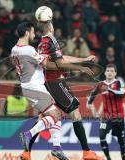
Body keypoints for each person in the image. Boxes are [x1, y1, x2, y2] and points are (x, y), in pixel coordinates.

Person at [25, 21, 98, 160]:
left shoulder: (42, 43)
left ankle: (27, 152)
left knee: (49, 116)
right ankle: (87, 152)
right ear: (50, 27)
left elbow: (62, 58)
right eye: (52, 24)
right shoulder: (52, 40)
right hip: (56, 83)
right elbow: (60, 63)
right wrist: (81, 68)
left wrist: (83, 59)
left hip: (47, 82)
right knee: (75, 113)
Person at [11, 22, 70, 160]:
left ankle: (57, 147)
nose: (33, 34)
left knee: (52, 115)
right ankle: (29, 134)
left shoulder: (14, 49)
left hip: (28, 87)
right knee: (56, 114)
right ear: (26, 33)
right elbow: (46, 64)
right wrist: (61, 65)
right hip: (34, 87)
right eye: (31, 32)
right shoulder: (29, 50)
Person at [87, 64, 125, 160]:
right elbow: (92, 97)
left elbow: (122, 94)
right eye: (108, 71)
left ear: (115, 73)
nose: (110, 73)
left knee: (121, 141)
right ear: (105, 73)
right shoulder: (100, 84)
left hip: (118, 117)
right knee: (101, 135)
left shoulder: (119, 83)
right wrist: (91, 104)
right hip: (106, 117)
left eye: (112, 71)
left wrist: (109, 89)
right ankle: (108, 158)